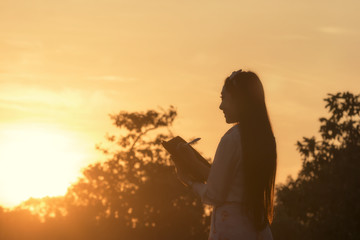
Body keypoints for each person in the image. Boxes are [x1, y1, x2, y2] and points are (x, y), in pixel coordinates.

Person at [174, 69, 277, 240]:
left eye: (223, 98)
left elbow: (214, 194)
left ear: (239, 100)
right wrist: (193, 163)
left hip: (232, 229)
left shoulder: (232, 138)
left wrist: (189, 181)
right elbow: (232, 184)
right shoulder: (266, 139)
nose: (220, 106)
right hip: (258, 228)